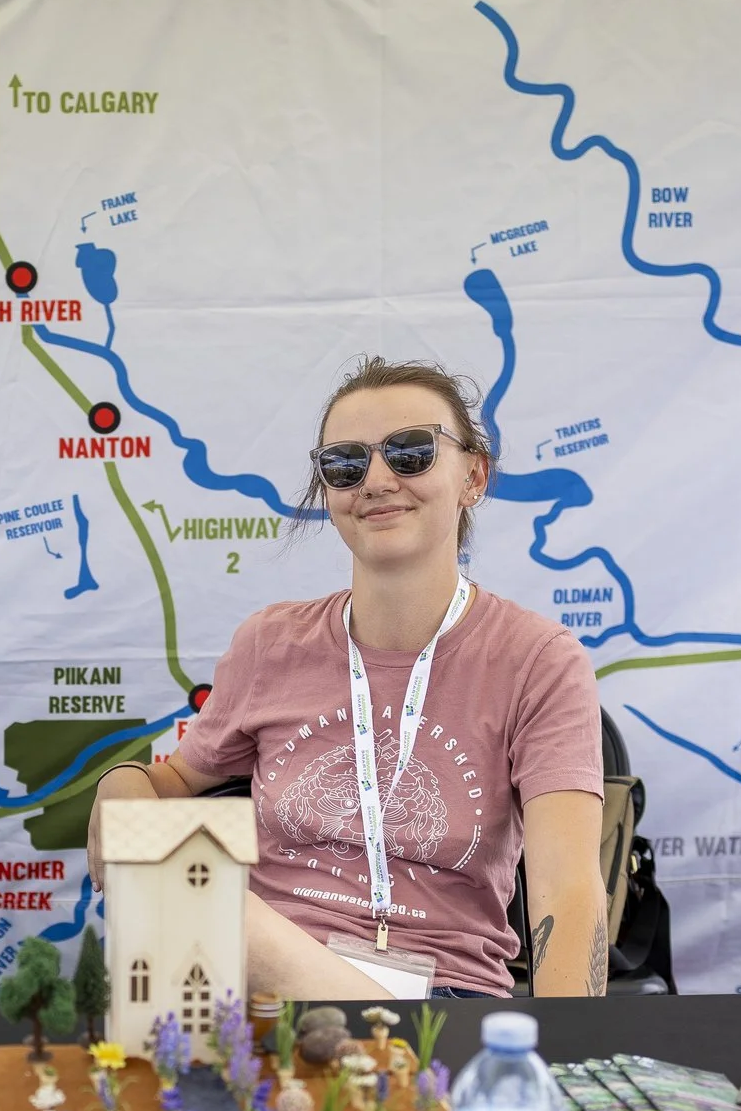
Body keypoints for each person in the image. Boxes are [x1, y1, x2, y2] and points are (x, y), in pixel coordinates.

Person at [90, 356, 607, 1000]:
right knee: (184, 886)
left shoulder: (539, 660)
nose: (377, 480)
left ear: (473, 476)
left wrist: (561, 1058)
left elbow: (570, 885)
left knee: (197, 897)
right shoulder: (270, 643)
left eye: (412, 452)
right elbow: (170, 783)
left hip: (443, 1002)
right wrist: (123, 785)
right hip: (261, 991)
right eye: (345, 463)